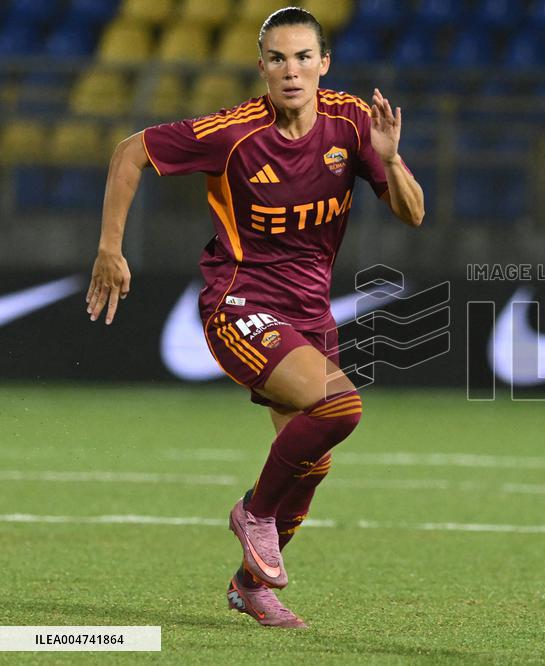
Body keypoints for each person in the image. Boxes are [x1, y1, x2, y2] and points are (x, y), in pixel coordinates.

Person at [85, 7, 424, 628]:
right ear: (261, 67)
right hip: (239, 304)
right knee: (341, 407)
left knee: (312, 463)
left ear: (324, 64)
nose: (291, 71)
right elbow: (130, 153)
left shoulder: (352, 123)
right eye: (278, 59)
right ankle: (254, 513)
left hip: (309, 314)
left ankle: (249, 586)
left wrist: (392, 159)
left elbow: (414, 213)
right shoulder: (234, 132)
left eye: (303, 58)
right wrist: (110, 248)